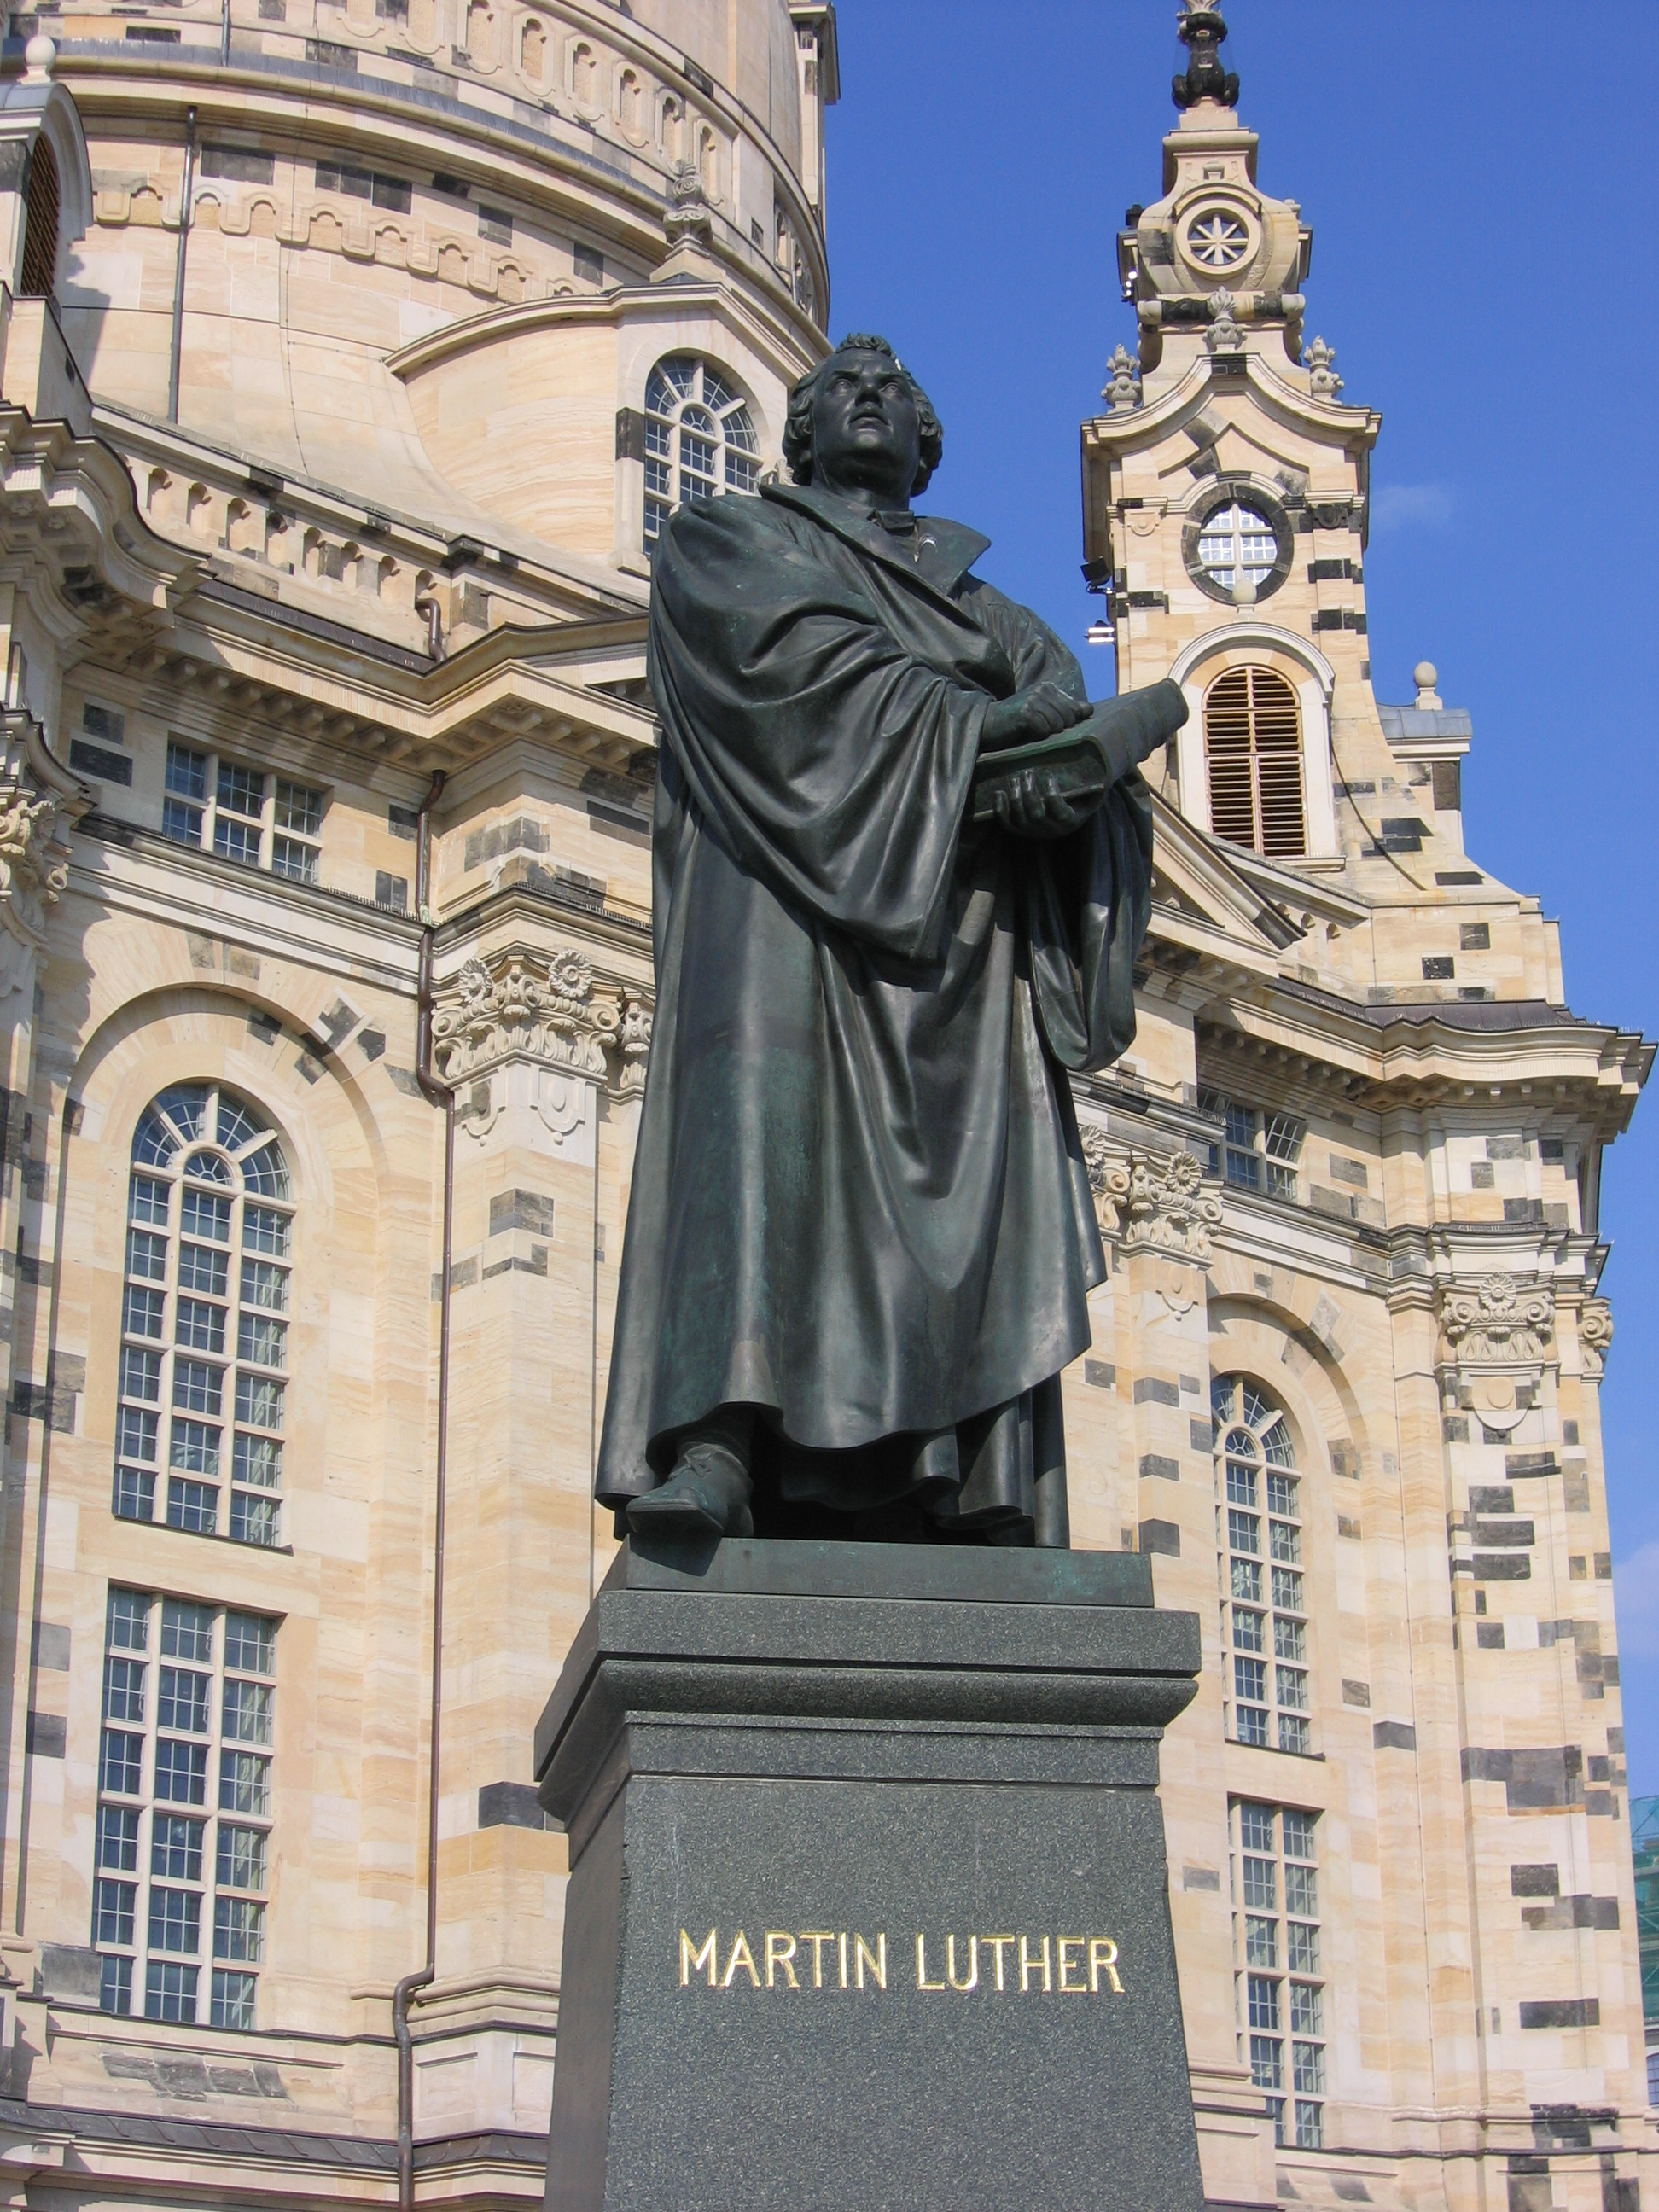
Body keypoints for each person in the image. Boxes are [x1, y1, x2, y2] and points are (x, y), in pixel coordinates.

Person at [593, 335, 1155, 1546]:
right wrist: (989, 734)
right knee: (751, 1141)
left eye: (893, 391)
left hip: (955, 945)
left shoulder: (996, 609)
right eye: (841, 387)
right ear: (798, 431)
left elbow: (1063, 735)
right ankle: (718, 1446)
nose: (867, 400)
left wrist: (1067, 802)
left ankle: (971, 1476)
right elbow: (788, 681)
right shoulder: (726, 543)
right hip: (779, 904)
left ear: (927, 442)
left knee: (965, 1189)